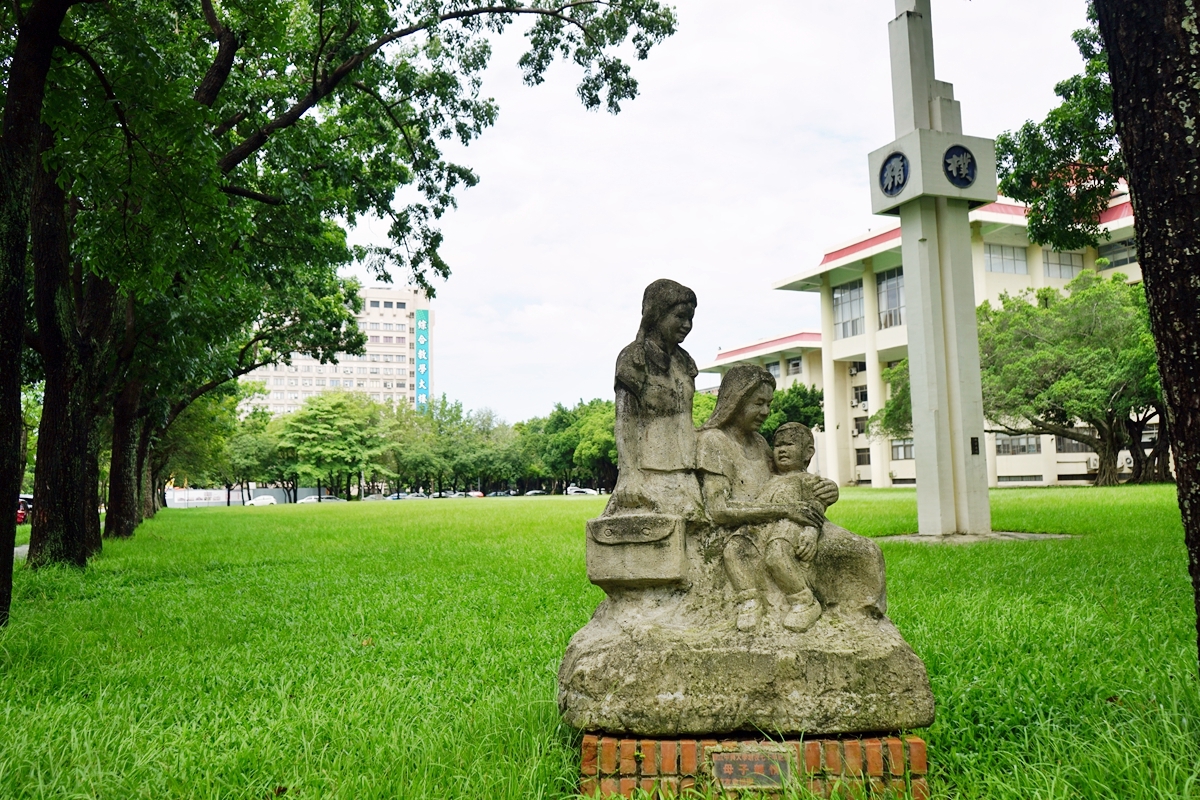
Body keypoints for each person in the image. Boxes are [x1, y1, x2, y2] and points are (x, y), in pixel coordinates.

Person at [696, 365, 838, 631]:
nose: (765, 412)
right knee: (738, 551)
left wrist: (826, 489)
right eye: (758, 403)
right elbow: (718, 510)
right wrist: (784, 511)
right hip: (744, 526)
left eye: (768, 404)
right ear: (736, 402)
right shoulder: (713, 442)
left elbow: (791, 480)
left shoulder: (761, 443)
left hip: (783, 523)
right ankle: (749, 601)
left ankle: (806, 602)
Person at [606, 279, 702, 520]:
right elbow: (625, 420)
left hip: (687, 472)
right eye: (680, 316)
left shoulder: (686, 363)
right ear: (657, 314)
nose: (687, 325)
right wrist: (629, 474)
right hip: (650, 473)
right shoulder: (634, 358)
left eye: (690, 318)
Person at [755, 422, 827, 632]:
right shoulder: (769, 480)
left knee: (776, 554)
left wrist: (811, 532)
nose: (782, 450)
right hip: (764, 525)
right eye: (778, 445)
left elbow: (816, 508)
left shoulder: (809, 480)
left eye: (789, 444)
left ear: (808, 452)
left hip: (791, 524)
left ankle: (804, 601)